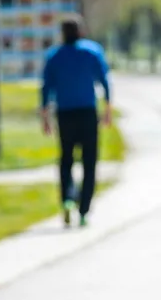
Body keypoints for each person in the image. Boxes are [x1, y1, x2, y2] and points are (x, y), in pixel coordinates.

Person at [40, 16, 112, 228]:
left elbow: (46, 88)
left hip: (65, 113)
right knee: (89, 161)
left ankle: (67, 199)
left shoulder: (54, 56)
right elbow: (104, 80)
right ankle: (83, 209)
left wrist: (45, 117)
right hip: (87, 112)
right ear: (80, 31)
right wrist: (107, 108)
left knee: (66, 158)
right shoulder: (92, 51)